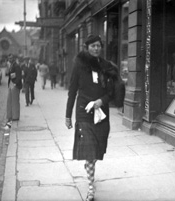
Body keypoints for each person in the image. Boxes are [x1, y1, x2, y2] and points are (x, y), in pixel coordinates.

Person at [65, 35, 118, 201]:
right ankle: (90, 188)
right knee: (89, 150)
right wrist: (67, 115)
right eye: (93, 46)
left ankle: (90, 165)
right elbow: (72, 91)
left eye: (98, 46)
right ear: (86, 47)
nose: (96, 48)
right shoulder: (79, 65)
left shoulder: (105, 66)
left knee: (96, 150)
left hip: (101, 114)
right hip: (84, 114)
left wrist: (101, 101)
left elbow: (112, 91)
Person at [4, 54, 22, 130]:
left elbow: (19, 76)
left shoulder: (16, 66)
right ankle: (10, 115)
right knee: (9, 101)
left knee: (15, 101)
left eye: (11, 58)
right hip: (11, 84)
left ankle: (15, 116)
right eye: (9, 58)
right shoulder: (11, 65)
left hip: (15, 85)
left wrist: (15, 83)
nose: (10, 59)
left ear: (13, 58)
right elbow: (9, 74)